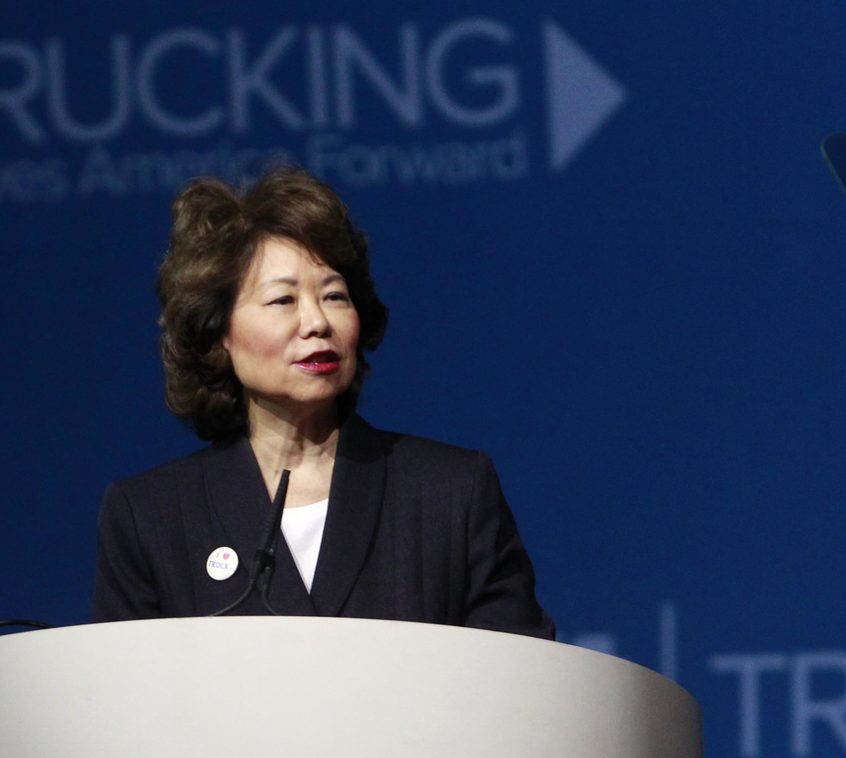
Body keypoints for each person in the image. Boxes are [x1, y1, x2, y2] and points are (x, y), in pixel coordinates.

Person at [91, 167, 554, 639]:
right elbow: (125, 699)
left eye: (334, 295)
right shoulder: (151, 516)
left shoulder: (450, 493)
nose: (316, 322)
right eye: (282, 301)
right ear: (218, 332)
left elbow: (518, 684)